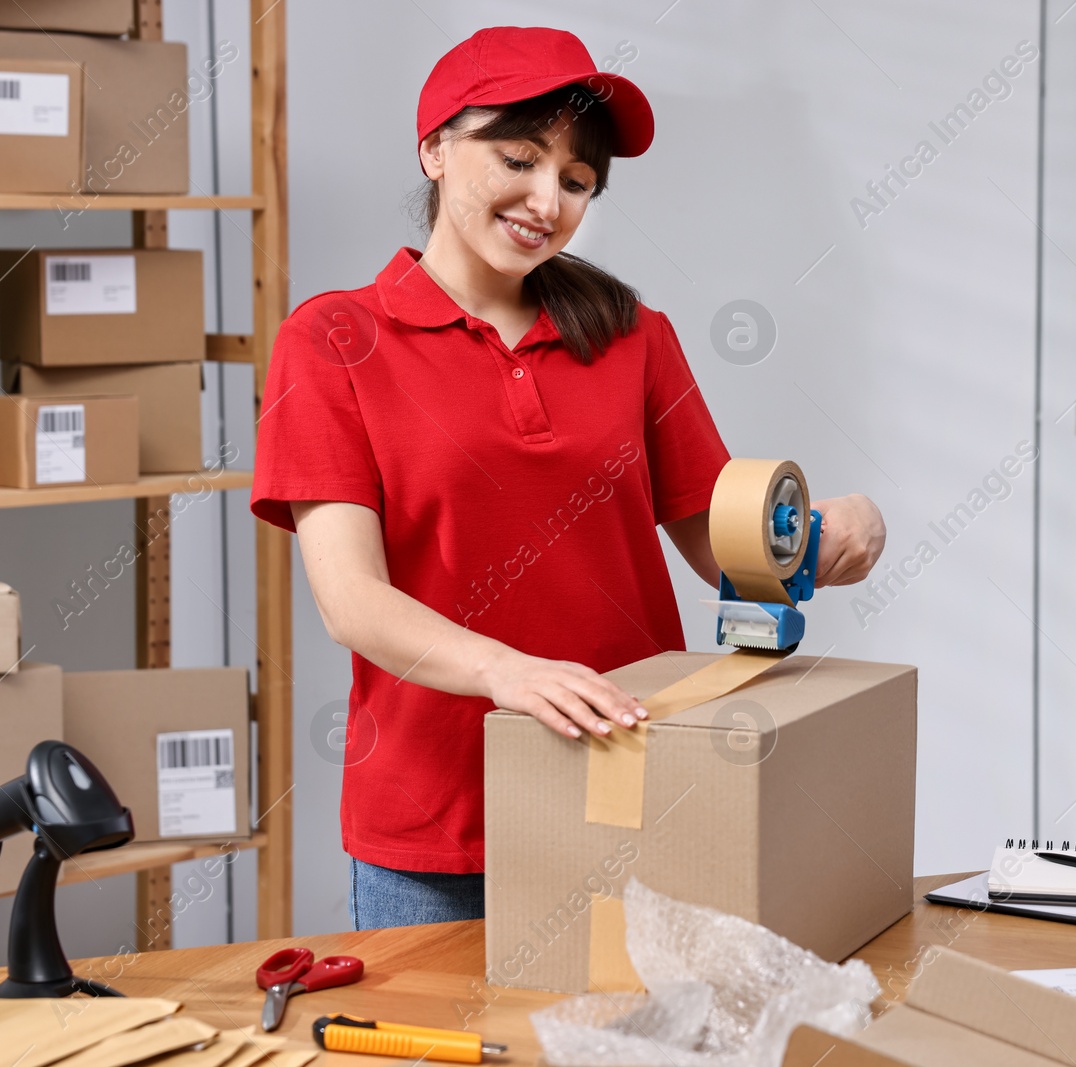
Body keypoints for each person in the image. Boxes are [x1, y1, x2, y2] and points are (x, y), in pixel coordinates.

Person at [251, 25, 886, 931]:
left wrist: (821, 537)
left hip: (628, 787)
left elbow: (723, 554)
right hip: (438, 825)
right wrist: (508, 672)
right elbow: (351, 599)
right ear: (434, 148)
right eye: (518, 158)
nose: (547, 200)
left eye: (578, 181)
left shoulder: (633, 335)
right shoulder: (335, 341)